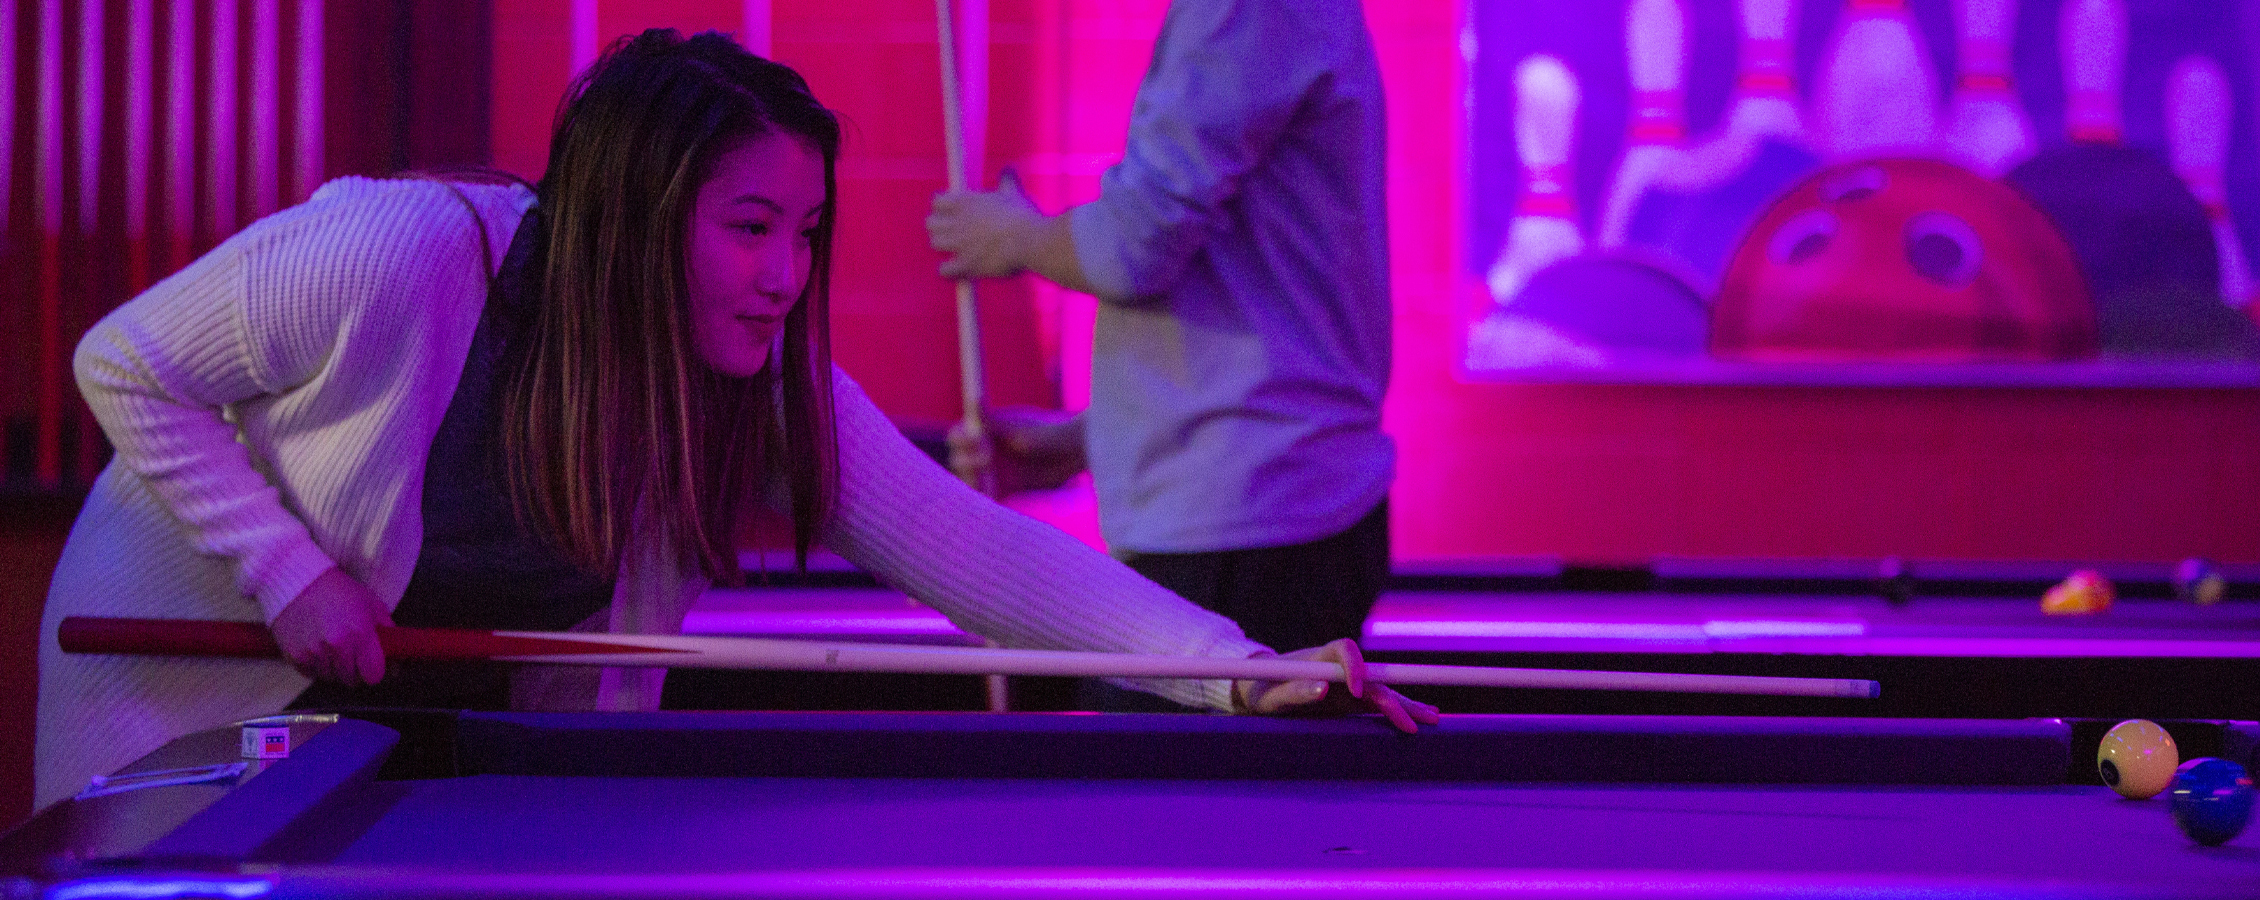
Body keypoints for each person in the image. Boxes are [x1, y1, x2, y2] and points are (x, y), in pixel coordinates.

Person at [35, 29, 1435, 809]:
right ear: (637, 216)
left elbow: (980, 553)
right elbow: (124, 362)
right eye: (751, 226)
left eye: (807, 231)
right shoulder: (399, 253)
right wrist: (291, 572)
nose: (787, 274)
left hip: (413, 739)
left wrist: (1238, 669)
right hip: (185, 694)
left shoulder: (749, 376)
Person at [924, 0, 1395, 710]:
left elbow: (1137, 244)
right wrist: (1092, 440)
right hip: (1261, 512)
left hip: (1243, 527)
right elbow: (1255, 288)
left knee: (1162, 778)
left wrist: (1014, 236)